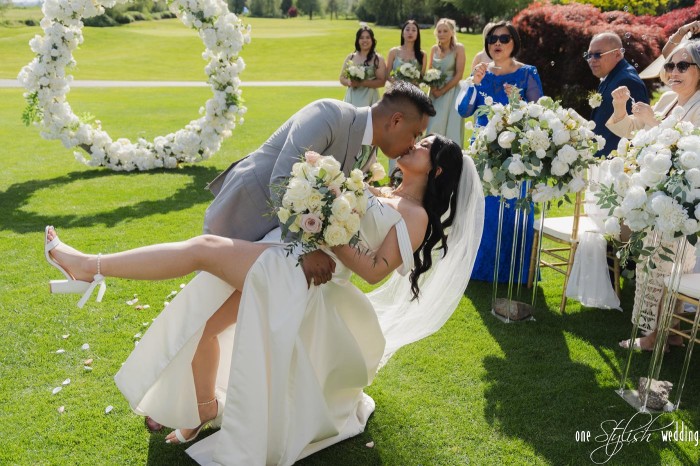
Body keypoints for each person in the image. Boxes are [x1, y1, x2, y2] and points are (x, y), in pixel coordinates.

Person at [43, 135, 485, 465]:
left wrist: (330, 227)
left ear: (438, 170)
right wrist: (317, 207)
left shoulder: (417, 216)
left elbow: (372, 271)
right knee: (206, 329)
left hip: (303, 276)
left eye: (424, 146)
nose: (412, 144)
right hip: (289, 256)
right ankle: (202, 412)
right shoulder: (377, 185)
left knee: (203, 250)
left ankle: (87, 267)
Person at [204, 81, 434, 287]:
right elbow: (282, 178)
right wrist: (307, 250)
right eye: (415, 134)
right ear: (396, 120)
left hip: (274, 243)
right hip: (245, 211)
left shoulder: (370, 156)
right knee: (208, 292)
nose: (413, 144)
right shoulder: (330, 114)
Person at [606, 41, 700, 351]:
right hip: (655, 196)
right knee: (653, 267)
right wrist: (621, 109)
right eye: (670, 65)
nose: (673, 72)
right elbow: (635, 132)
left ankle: (656, 337)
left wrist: (652, 122)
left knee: (668, 267)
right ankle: (665, 332)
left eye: (683, 66)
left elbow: (690, 150)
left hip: (682, 201)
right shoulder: (669, 99)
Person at [456, 21, 543, 284]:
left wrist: (517, 100)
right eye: (493, 38)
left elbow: (539, 113)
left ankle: (516, 272)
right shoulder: (481, 73)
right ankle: (481, 269)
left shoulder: (527, 73)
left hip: (517, 155)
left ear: (514, 43)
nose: (498, 43)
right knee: (485, 211)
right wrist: (474, 82)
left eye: (504, 39)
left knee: (515, 210)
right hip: (485, 155)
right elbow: (464, 110)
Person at [585, 32, 649, 157]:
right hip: (603, 158)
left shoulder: (627, 81)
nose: (592, 60)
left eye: (598, 55)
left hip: (617, 161)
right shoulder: (612, 75)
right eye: (589, 55)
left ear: (618, 54)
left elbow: (637, 129)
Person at [386, 20, 427, 174]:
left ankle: (409, 173)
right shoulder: (393, 52)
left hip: (413, 103)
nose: (410, 32)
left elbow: (422, 79)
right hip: (395, 99)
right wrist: (398, 83)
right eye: (407, 29)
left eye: (414, 30)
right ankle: (393, 173)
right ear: (402, 32)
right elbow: (386, 75)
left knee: (410, 137)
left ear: (417, 34)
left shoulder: (422, 55)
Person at [425, 18, 466, 147]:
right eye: (439, 31)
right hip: (434, 93)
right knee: (433, 125)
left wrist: (443, 90)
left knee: (451, 129)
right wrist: (433, 87)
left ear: (452, 32)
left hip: (452, 92)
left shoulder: (459, 49)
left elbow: (459, 74)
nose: (441, 34)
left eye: (445, 31)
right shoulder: (433, 49)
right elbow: (430, 71)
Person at [340, 26, 387, 108]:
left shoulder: (378, 59)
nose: (365, 40)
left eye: (368, 37)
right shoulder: (351, 57)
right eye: (361, 38)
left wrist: (361, 83)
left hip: (370, 99)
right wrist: (348, 82)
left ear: (372, 40)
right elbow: (341, 78)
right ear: (358, 40)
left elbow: (382, 82)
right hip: (351, 98)